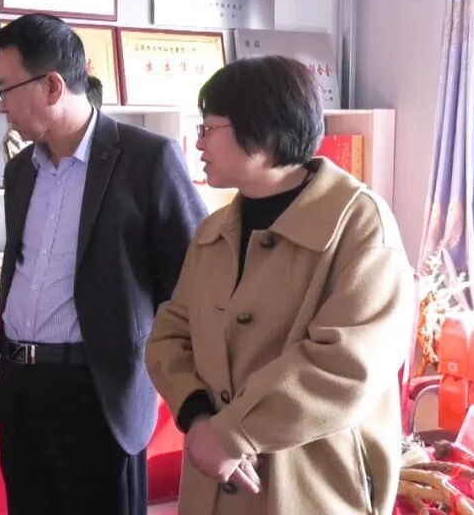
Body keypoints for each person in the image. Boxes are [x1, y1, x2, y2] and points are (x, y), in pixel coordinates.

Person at [146, 55, 412, 515]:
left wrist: (232, 434)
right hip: (214, 487)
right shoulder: (214, 231)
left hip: (313, 486)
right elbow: (170, 336)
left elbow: (348, 364)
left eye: (210, 128)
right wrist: (199, 418)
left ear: (263, 130)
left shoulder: (359, 224)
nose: (199, 142)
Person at [0, 13, 207, 514]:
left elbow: (194, 280)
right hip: (20, 387)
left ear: (51, 86)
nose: (0, 106)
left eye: (5, 89)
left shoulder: (146, 159)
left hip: (98, 391)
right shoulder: (21, 170)